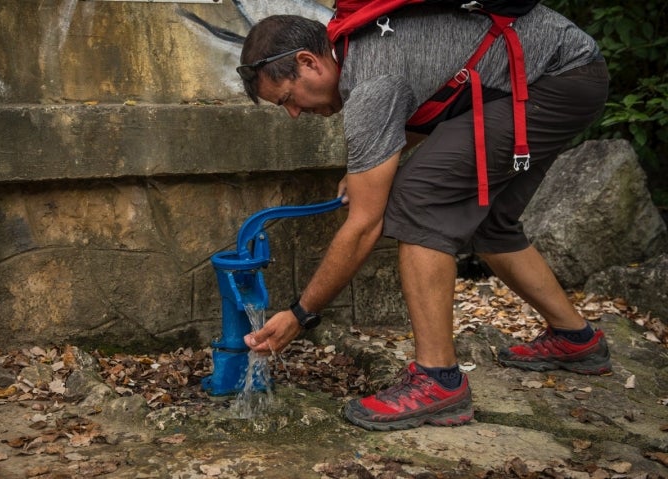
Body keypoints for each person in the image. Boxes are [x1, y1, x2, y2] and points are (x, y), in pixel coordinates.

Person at [235, 4, 612, 431]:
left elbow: (364, 227)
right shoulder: (360, 48)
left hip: (556, 80)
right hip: (567, 74)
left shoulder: (372, 81)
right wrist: (367, 166)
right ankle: (576, 339)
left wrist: (301, 313)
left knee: (418, 201)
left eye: (288, 98)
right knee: (490, 223)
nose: (293, 113)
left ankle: (439, 381)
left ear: (309, 62)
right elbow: (428, 96)